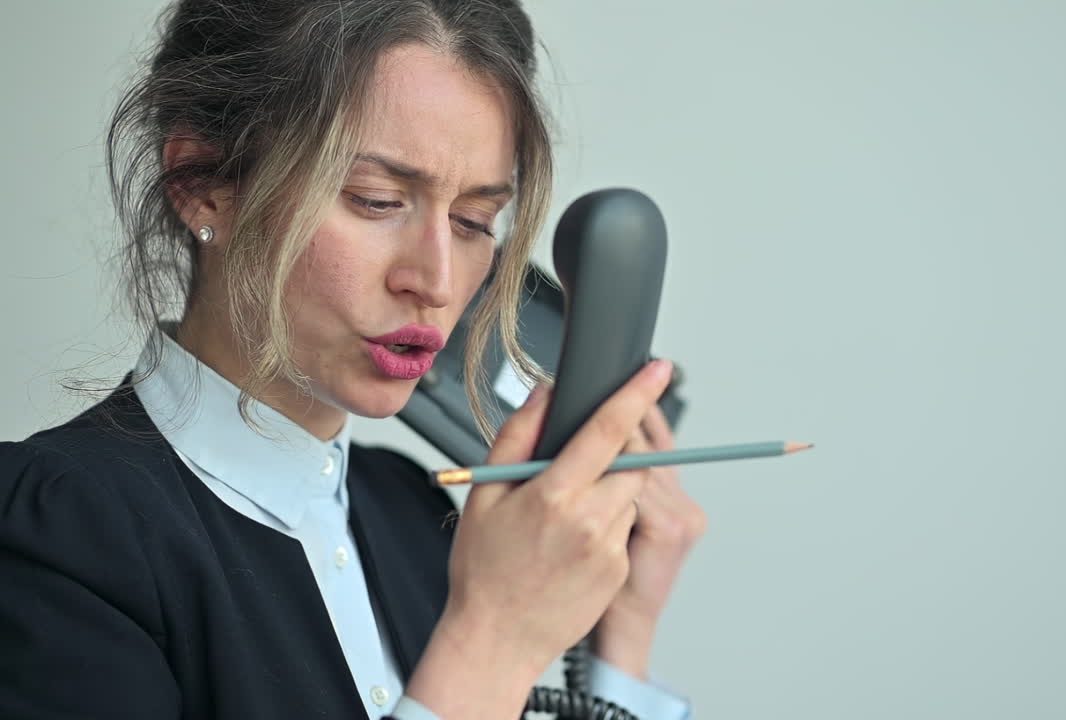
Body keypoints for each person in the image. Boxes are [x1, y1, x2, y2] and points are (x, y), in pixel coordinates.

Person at [0, 1, 707, 718]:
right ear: (201, 183)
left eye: (473, 222)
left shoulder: (420, 517)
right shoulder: (53, 531)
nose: (434, 281)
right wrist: (492, 636)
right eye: (376, 200)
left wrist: (622, 642)